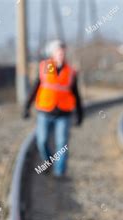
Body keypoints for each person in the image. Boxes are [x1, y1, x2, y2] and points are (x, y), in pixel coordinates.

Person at [24, 40, 84, 177]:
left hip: (64, 113)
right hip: (45, 111)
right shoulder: (47, 67)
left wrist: (80, 114)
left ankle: (59, 172)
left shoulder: (70, 72)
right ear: (53, 53)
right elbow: (36, 87)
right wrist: (27, 106)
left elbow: (76, 94)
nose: (61, 55)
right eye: (58, 52)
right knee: (42, 140)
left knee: (61, 144)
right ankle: (48, 161)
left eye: (62, 52)